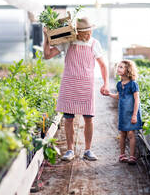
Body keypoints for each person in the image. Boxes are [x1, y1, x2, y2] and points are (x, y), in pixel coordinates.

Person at [43, 17, 109, 161]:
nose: (89, 35)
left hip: (86, 85)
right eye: (86, 33)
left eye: (90, 31)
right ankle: (70, 150)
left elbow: (103, 65)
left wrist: (105, 83)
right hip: (69, 84)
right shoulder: (68, 42)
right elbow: (47, 55)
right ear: (77, 32)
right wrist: (46, 37)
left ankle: (88, 150)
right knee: (68, 119)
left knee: (89, 118)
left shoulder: (94, 43)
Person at [104, 60, 142, 165]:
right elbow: (119, 96)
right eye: (118, 67)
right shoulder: (119, 84)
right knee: (123, 133)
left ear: (128, 70)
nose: (118, 69)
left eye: (121, 67)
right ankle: (122, 154)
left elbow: (137, 100)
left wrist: (134, 115)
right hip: (123, 112)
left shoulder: (133, 84)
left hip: (131, 113)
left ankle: (132, 156)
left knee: (131, 134)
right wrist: (109, 94)